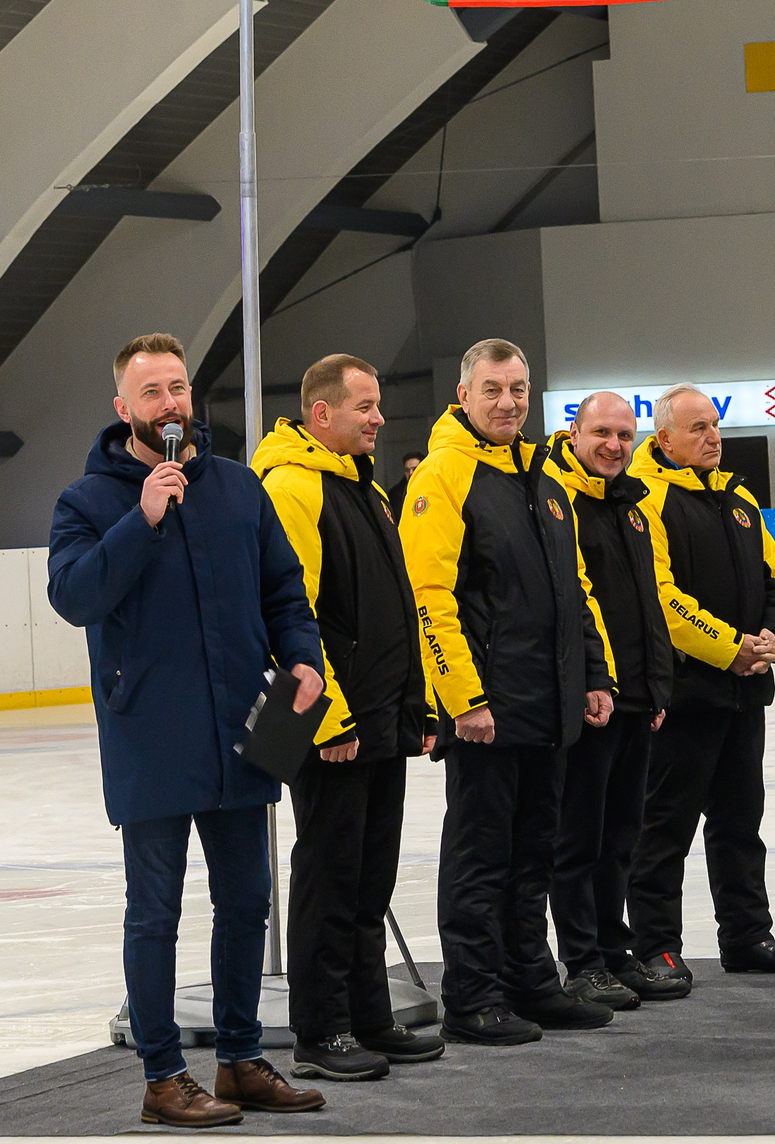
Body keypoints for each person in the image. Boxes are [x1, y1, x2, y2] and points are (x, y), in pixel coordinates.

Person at [48, 332, 329, 1128]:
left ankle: (239, 1058)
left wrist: (302, 656)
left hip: (242, 729)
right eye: (152, 392)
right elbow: (73, 596)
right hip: (152, 736)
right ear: (123, 409)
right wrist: (140, 519)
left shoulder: (240, 489)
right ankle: (164, 1074)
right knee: (156, 910)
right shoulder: (87, 501)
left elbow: (284, 589)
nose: (170, 403)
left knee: (247, 899)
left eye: (178, 387)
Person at [403, 338, 615, 1047]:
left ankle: (531, 979)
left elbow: (574, 588)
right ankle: (473, 992)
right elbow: (429, 597)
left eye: (519, 388)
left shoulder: (545, 480)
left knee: (535, 855)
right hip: (485, 713)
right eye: (493, 388)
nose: (508, 402)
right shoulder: (443, 475)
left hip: (546, 705)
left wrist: (593, 674)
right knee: (480, 856)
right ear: (464, 394)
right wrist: (464, 698)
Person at [254, 354, 445, 1083]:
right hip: (332, 725)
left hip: (379, 718)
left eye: (378, 403)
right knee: (330, 877)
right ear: (320, 413)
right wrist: (326, 717)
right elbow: (290, 615)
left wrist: (414, 705)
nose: (379, 417)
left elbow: (395, 605)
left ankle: (368, 1014)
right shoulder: (294, 487)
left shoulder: (363, 487)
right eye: (364, 405)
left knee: (370, 878)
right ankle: (322, 1026)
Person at [626, 384, 775, 986]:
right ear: (664, 439)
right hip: (684, 698)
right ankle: (656, 946)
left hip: (744, 694)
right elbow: (662, 600)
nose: (712, 437)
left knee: (740, 822)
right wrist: (729, 649)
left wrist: (773, 639)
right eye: (697, 428)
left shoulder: (740, 500)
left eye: (714, 426)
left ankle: (747, 934)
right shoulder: (648, 501)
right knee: (665, 827)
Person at [541, 392, 684, 1007]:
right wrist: (591, 685)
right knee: (580, 837)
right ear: (574, 432)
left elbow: (650, 602)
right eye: (601, 432)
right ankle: (581, 960)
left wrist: (656, 686)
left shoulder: (635, 506)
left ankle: (614, 948)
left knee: (622, 834)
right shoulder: (557, 499)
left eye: (625, 435)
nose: (614, 446)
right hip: (588, 700)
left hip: (634, 699)